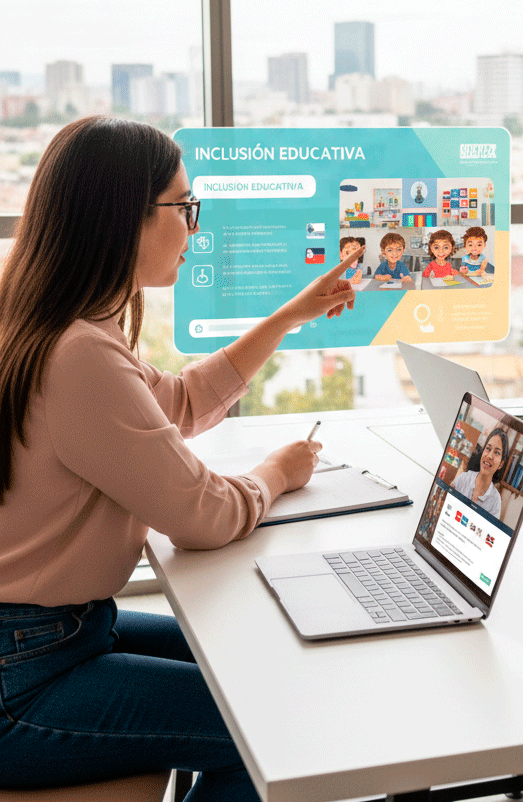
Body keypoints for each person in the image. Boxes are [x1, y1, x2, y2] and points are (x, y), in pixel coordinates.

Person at [0, 116, 362, 801]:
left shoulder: (49, 319)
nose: (193, 226)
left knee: (255, 661)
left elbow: (179, 403)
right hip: (27, 674)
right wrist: (277, 475)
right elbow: (204, 516)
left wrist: (290, 315)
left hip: (48, 637)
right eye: (184, 205)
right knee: (271, 730)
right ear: (122, 218)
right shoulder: (80, 356)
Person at [450, 427, 508, 519]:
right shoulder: (464, 478)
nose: (489, 456)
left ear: (501, 464)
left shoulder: (495, 501)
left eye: (497, 452)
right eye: (488, 448)